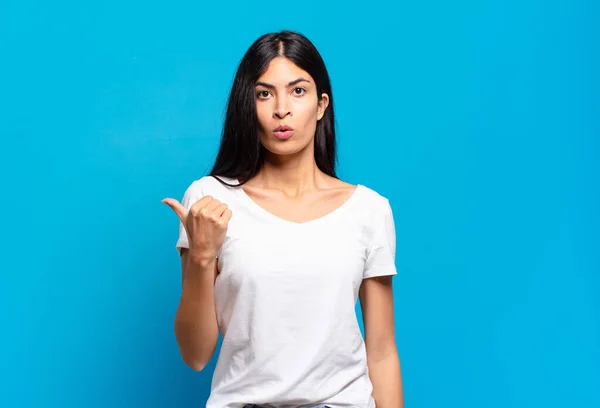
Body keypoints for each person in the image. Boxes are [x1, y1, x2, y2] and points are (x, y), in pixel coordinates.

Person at [162, 30, 403, 408]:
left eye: (298, 91)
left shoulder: (368, 210)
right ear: (249, 105)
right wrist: (202, 257)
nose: (281, 109)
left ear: (322, 104)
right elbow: (195, 355)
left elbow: (383, 351)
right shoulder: (211, 201)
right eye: (264, 93)